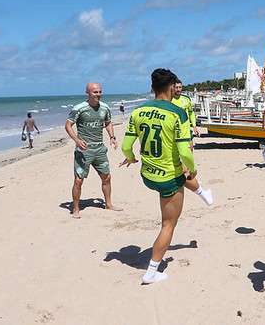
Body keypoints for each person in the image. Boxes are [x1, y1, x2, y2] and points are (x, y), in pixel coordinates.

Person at [120, 69, 214, 285]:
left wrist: (131, 158)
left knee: (182, 173)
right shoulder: (176, 113)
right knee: (168, 225)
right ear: (172, 87)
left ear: (153, 87)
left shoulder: (138, 111)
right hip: (167, 179)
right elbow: (185, 152)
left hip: (147, 175)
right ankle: (151, 272)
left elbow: (126, 146)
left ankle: (203, 193)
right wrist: (194, 168)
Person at [65, 83, 120, 218]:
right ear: (87, 93)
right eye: (95, 92)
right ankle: (76, 209)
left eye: (100, 91)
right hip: (84, 151)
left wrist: (112, 137)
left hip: (100, 149)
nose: (98, 94)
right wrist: (77, 140)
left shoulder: (105, 107)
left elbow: (107, 122)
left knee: (106, 177)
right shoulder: (79, 108)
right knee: (79, 180)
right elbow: (68, 125)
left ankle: (108, 204)